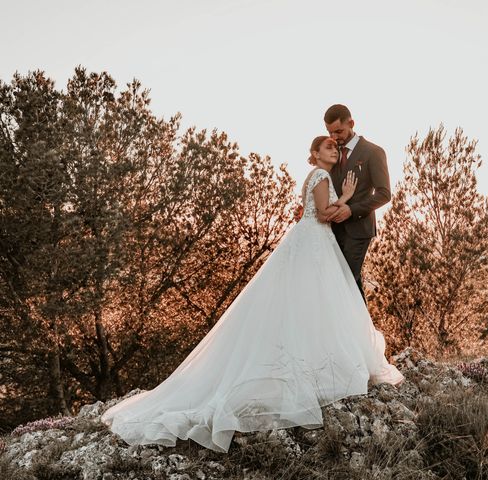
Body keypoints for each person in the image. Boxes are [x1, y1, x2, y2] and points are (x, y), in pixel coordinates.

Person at [101, 136, 404, 453]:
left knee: (313, 303)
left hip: (313, 243)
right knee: (317, 301)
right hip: (314, 242)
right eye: (327, 147)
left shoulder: (317, 176)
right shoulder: (321, 175)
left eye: (334, 148)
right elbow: (323, 214)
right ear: (315, 154)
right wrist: (347, 197)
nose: (332, 151)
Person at [322, 104, 391, 302]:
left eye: (339, 131)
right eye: (330, 132)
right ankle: (362, 330)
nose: (334, 137)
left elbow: (384, 194)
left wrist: (351, 210)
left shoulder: (373, 152)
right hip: (333, 229)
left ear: (351, 123)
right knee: (352, 285)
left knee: (343, 284)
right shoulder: (331, 152)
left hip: (358, 230)